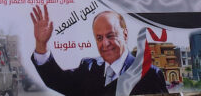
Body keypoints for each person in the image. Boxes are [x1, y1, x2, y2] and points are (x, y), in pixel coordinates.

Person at [30, 5, 168, 96]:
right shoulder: (89, 68)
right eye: (99, 38)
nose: (105, 44)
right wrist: (41, 44)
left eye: (110, 36)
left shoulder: (149, 74)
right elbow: (57, 80)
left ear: (125, 34)